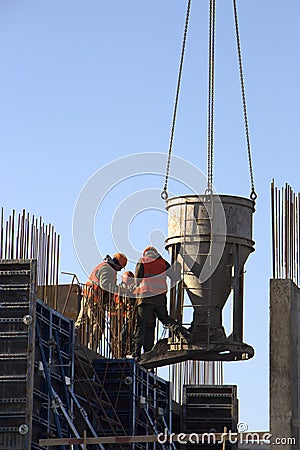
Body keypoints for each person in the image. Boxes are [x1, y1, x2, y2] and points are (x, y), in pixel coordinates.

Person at [128, 246, 191, 360]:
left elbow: (137, 279)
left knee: (141, 325)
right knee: (166, 320)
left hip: (145, 297)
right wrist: (178, 265)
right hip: (160, 298)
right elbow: (175, 277)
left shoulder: (143, 260)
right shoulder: (163, 263)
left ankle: (136, 353)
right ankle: (183, 333)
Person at [75, 253, 128, 335]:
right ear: (117, 264)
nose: (120, 270)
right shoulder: (108, 269)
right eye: (121, 267)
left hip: (87, 296)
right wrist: (120, 290)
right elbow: (105, 285)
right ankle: (92, 346)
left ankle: (74, 341)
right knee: (99, 325)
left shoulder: (104, 266)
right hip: (94, 299)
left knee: (81, 322)